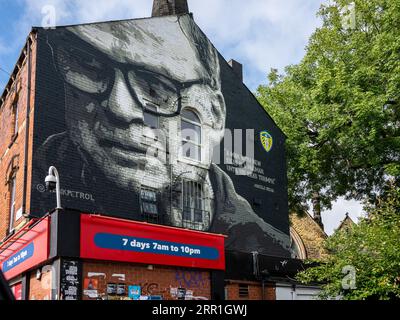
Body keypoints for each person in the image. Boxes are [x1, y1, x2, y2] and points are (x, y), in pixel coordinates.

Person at [34, 15, 291, 257]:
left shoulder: (265, 243)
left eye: (155, 87)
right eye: (88, 63)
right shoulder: (41, 178)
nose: (119, 108)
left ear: (213, 114)